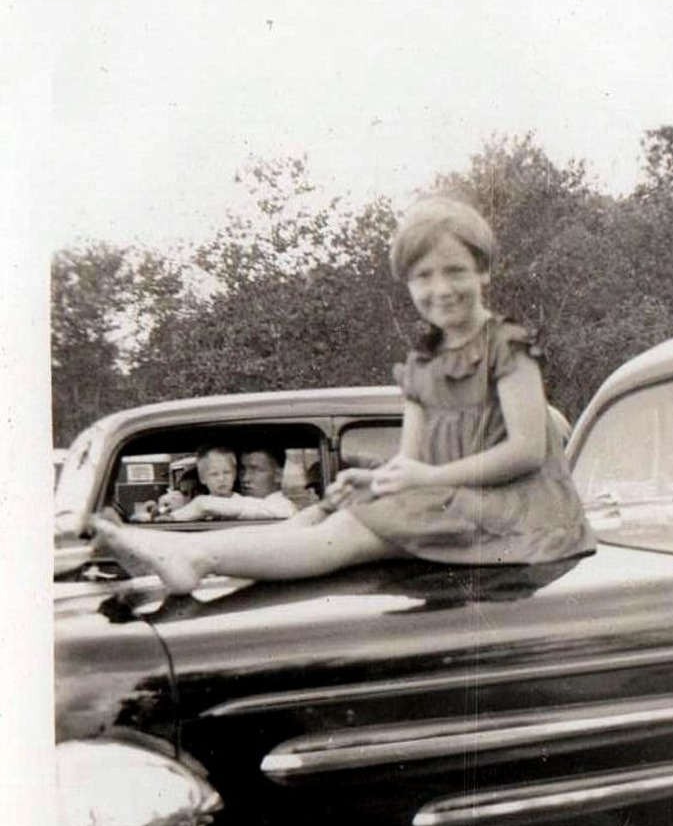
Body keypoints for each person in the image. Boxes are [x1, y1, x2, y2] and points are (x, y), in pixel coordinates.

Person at [92, 196, 595, 595]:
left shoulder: (507, 346)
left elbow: (527, 449)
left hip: (522, 519)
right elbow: (409, 463)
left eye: (455, 271)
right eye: (424, 276)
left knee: (350, 533)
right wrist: (370, 482)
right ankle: (189, 557)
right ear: (407, 284)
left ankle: (200, 557)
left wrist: (430, 478)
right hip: (464, 504)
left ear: (483, 272)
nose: (441, 288)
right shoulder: (422, 362)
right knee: (321, 511)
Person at [164, 446, 298, 522]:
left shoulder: (283, 507)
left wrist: (200, 504)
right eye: (242, 470)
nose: (245, 478)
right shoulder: (237, 503)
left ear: (278, 475)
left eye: (255, 470)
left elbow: (248, 508)